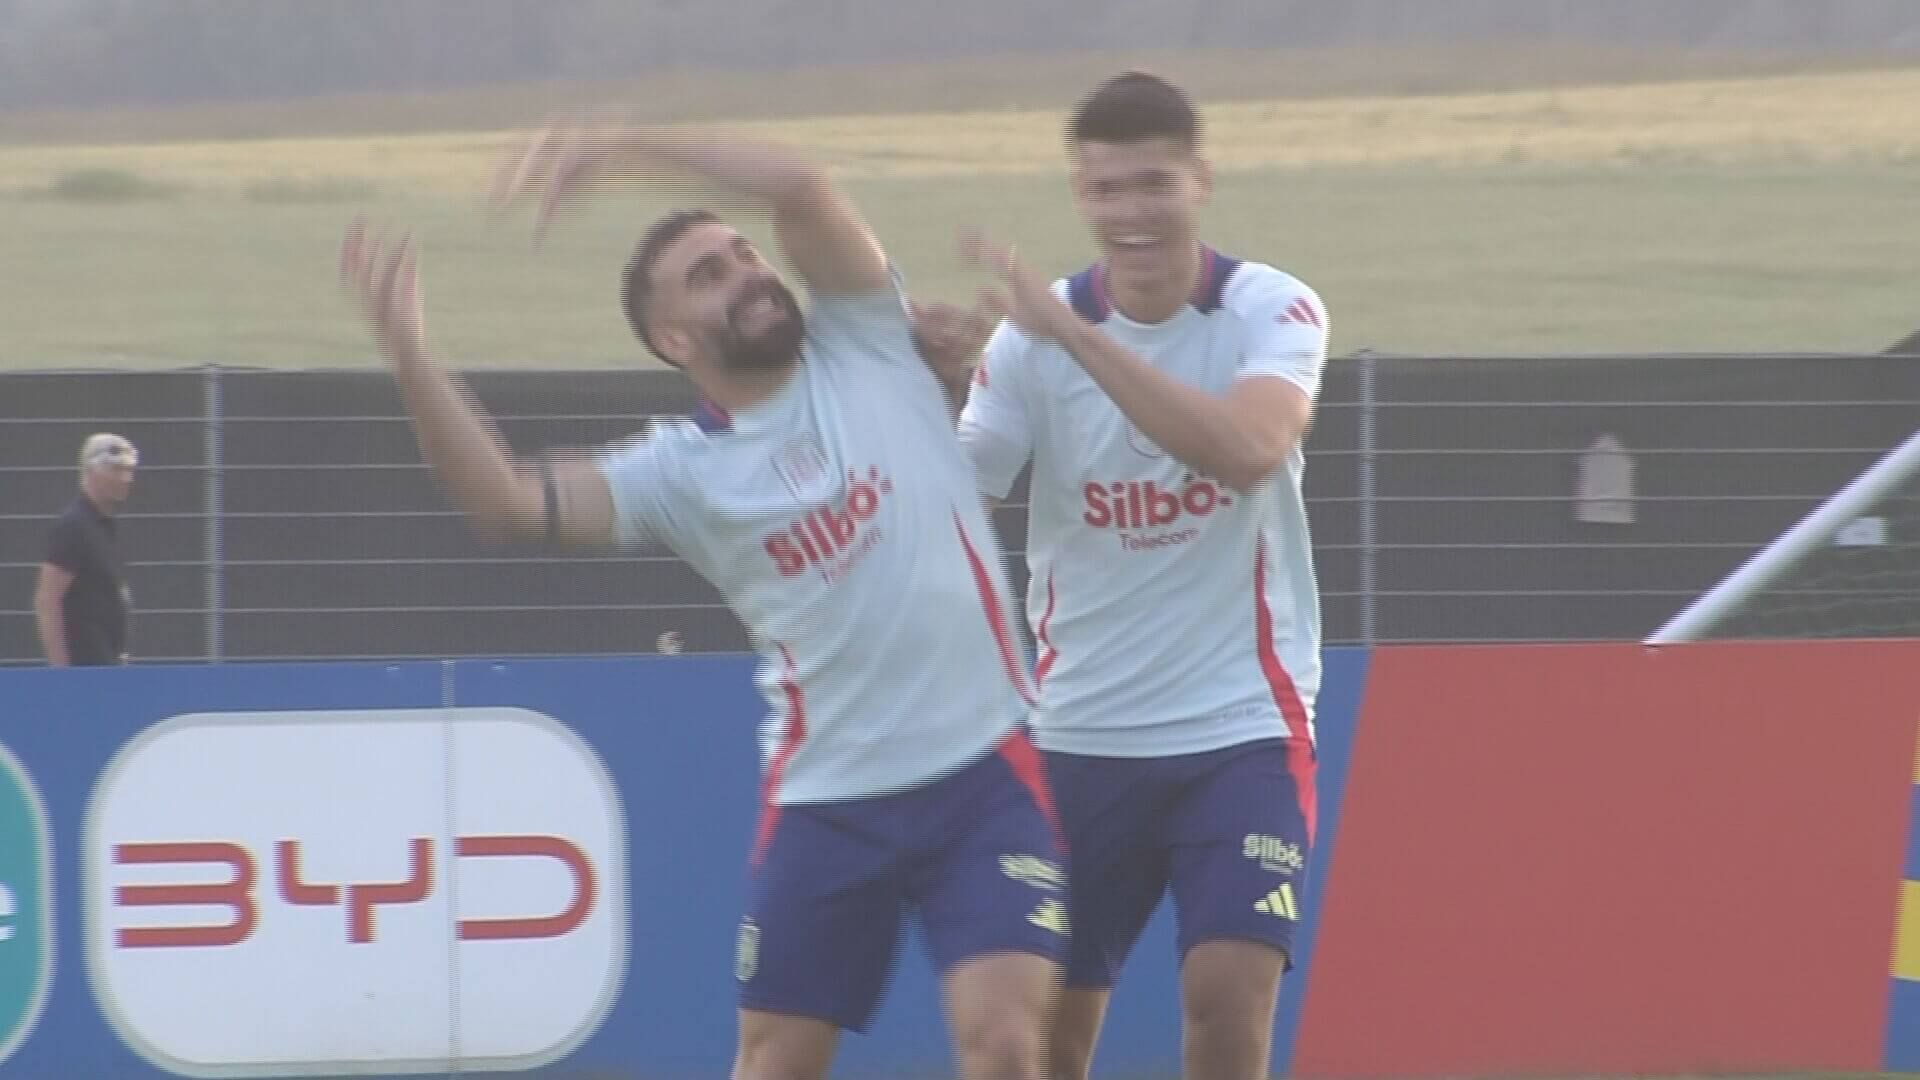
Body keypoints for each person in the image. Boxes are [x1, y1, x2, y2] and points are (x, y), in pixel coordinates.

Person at [338, 115, 1063, 1080]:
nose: (750, 272)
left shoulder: (867, 335)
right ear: (675, 337)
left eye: (742, 252)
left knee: (1009, 1045)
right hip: (828, 799)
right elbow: (507, 502)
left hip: (985, 774)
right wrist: (412, 358)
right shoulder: (677, 471)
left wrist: (625, 144)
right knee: (772, 1065)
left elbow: (800, 186)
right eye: (710, 276)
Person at [950, 71, 1330, 1080]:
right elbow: (962, 489)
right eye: (1106, 191)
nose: (1131, 214)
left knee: (1228, 996)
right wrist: (923, 381)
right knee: (1048, 1036)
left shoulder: (1272, 308)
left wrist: (1073, 338)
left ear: (1201, 180)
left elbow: (1247, 451)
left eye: (1153, 184)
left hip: (1240, 727)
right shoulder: (1026, 342)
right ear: (1081, 196)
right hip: (1080, 734)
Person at [35, 432, 138, 667]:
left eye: (129, 470)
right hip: (84, 671)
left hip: (107, 666)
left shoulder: (104, 527)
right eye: (117, 470)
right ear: (91, 471)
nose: (126, 478)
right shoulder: (74, 526)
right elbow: (48, 599)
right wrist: (62, 671)